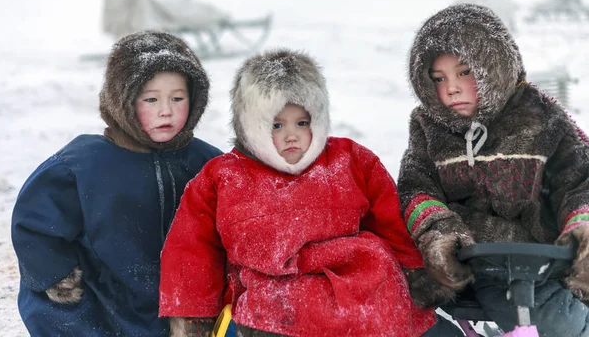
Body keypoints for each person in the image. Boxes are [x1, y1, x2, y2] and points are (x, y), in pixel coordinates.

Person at [159, 49, 466, 337]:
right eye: (276, 125)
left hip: (365, 289)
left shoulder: (350, 159)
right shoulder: (224, 176)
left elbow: (389, 219)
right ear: (252, 126)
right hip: (277, 302)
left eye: (302, 122)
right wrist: (193, 316)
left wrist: (416, 271)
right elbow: (192, 249)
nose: (291, 134)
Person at [11, 30, 223, 336]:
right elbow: (36, 228)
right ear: (122, 100)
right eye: (151, 99)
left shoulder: (207, 164)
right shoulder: (81, 166)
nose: (167, 110)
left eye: (177, 98)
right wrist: (61, 285)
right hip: (104, 313)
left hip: (185, 315)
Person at [399, 3, 589, 336]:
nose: (451, 88)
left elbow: (579, 182)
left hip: (538, 264)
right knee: (405, 316)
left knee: (562, 324)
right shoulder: (428, 128)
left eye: (464, 72)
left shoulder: (542, 118)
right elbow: (417, 188)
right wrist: (439, 235)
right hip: (464, 260)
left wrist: (582, 230)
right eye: (438, 79)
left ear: (493, 67)